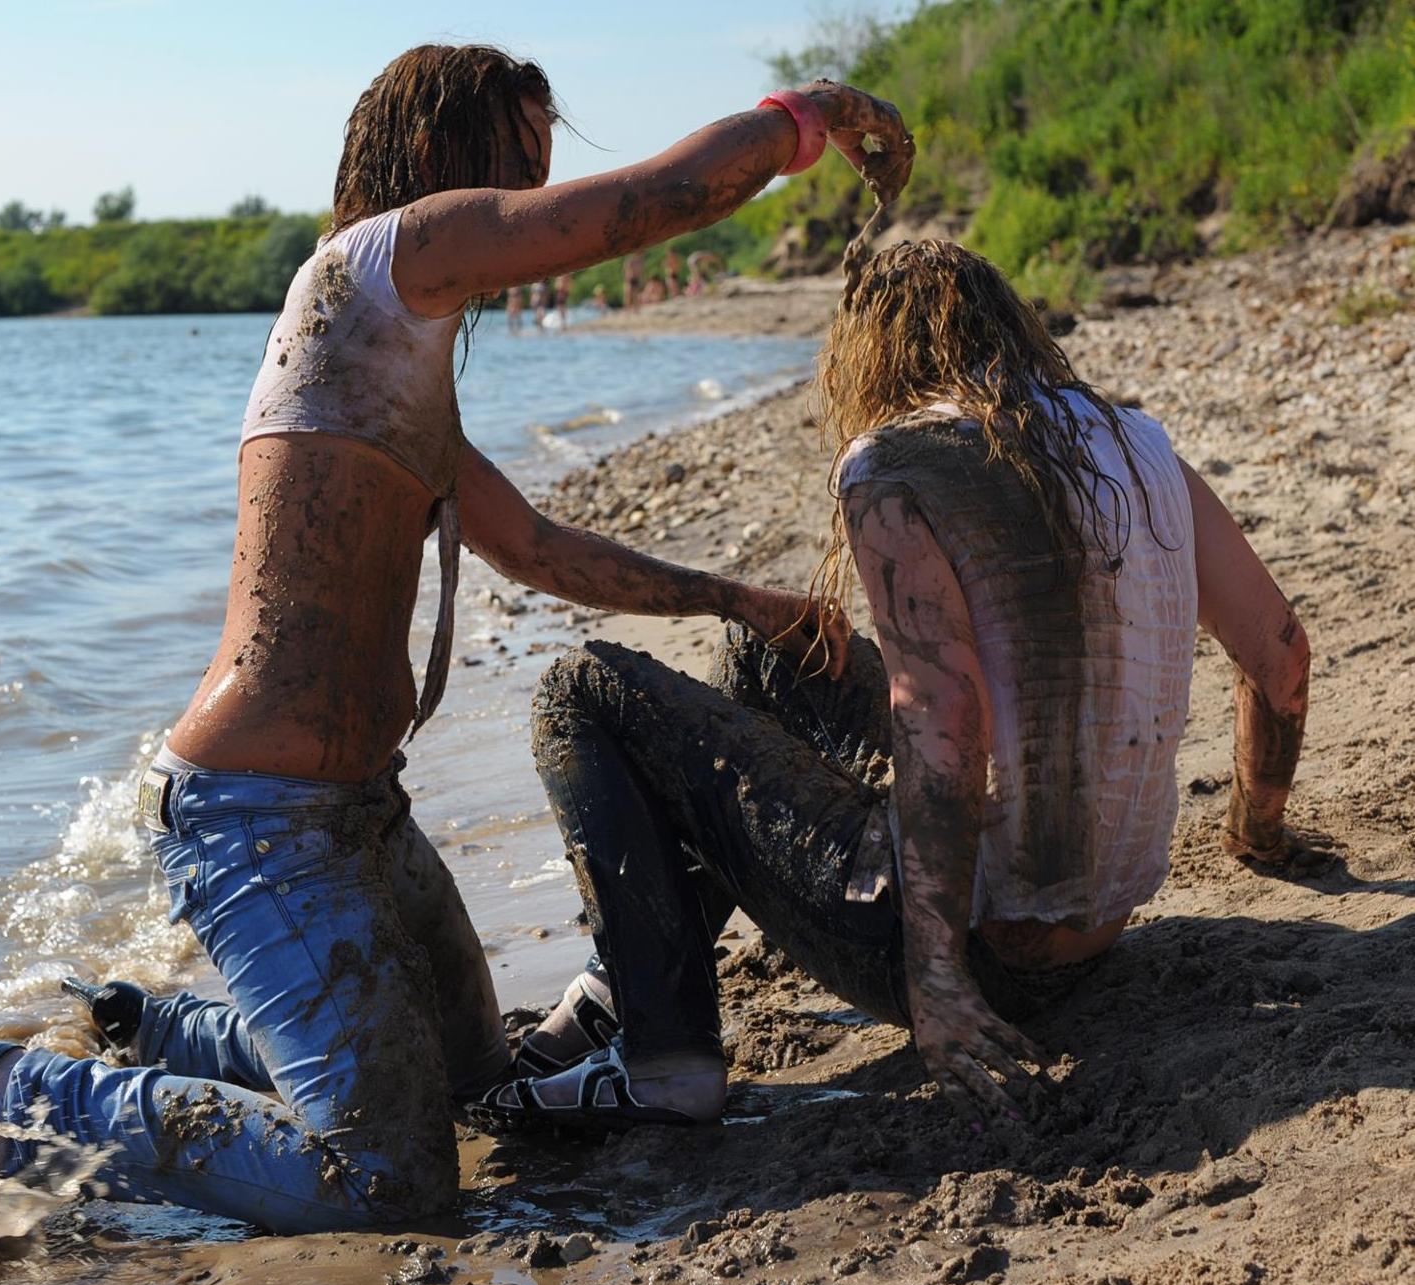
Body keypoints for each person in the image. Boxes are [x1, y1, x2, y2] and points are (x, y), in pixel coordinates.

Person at [0, 50, 913, 1232]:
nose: (538, 182)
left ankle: (147, 1020)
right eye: (519, 155)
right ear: (440, 156)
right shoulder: (377, 263)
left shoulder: (402, 363)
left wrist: (735, 600)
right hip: (255, 820)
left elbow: (537, 549)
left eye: (548, 157)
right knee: (386, 1181)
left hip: (359, 815)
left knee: (470, 1085)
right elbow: (640, 207)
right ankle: (21, 1090)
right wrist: (811, 119)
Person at [478, 239, 1315, 1133]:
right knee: (777, 653)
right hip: (1100, 932)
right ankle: (633, 977)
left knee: (580, 690)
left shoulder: (892, 466)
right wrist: (1255, 828)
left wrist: (940, 982)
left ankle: (665, 1056)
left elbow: (942, 720)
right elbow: (1282, 657)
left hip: (992, 959)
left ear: (872, 357)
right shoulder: (1140, 446)